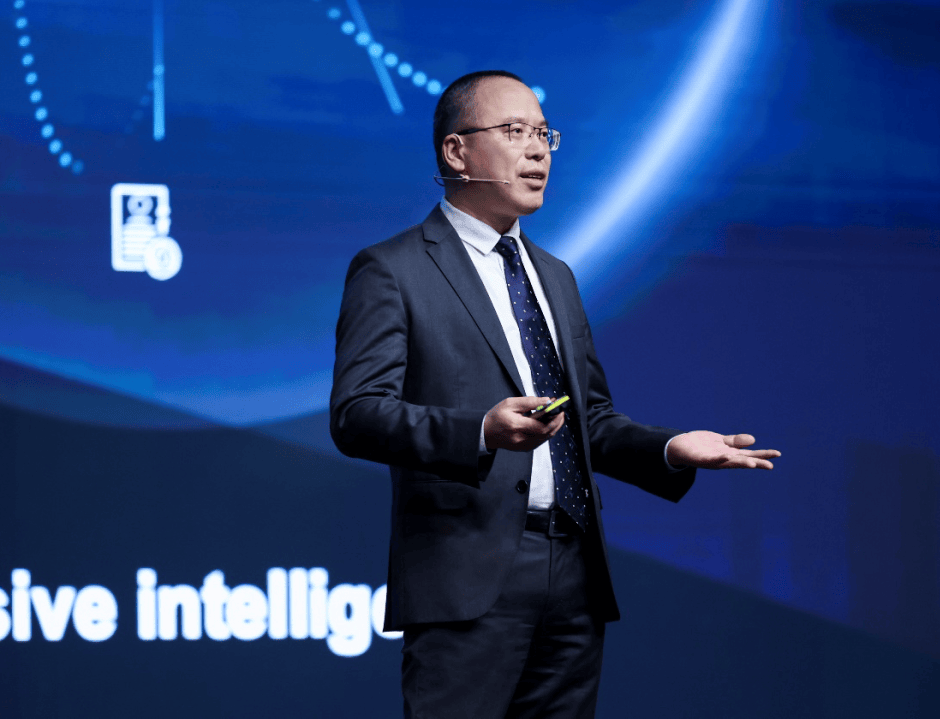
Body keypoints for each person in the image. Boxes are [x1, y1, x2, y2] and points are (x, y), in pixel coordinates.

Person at [330, 70, 780, 718]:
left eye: (544, 134)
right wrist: (480, 432)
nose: (538, 150)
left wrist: (670, 449)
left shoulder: (555, 276)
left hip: (574, 571)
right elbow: (357, 415)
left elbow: (586, 420)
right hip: (467, 573)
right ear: (457, 152)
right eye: (515, 131)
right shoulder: (393, 269)